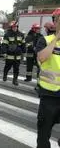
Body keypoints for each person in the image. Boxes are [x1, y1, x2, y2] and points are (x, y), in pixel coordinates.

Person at [36, 8, 60, 148]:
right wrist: (56, 37)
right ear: (55, 22)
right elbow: (42, 57)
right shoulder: (45, 40)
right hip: (49, 95)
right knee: (44, 134)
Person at [1, 21, 26, 86]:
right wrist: (4, 52)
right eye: (13, 27)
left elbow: (23, 44)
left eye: (16, 27)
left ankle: (15, 80)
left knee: (16, 69)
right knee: (7, 67)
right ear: (11, 27)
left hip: (17, 55)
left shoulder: (21, 34)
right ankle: (5, 75)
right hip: (9, 55)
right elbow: (4, 44)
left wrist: (24, 52)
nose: (15, 28)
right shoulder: (7, 34)